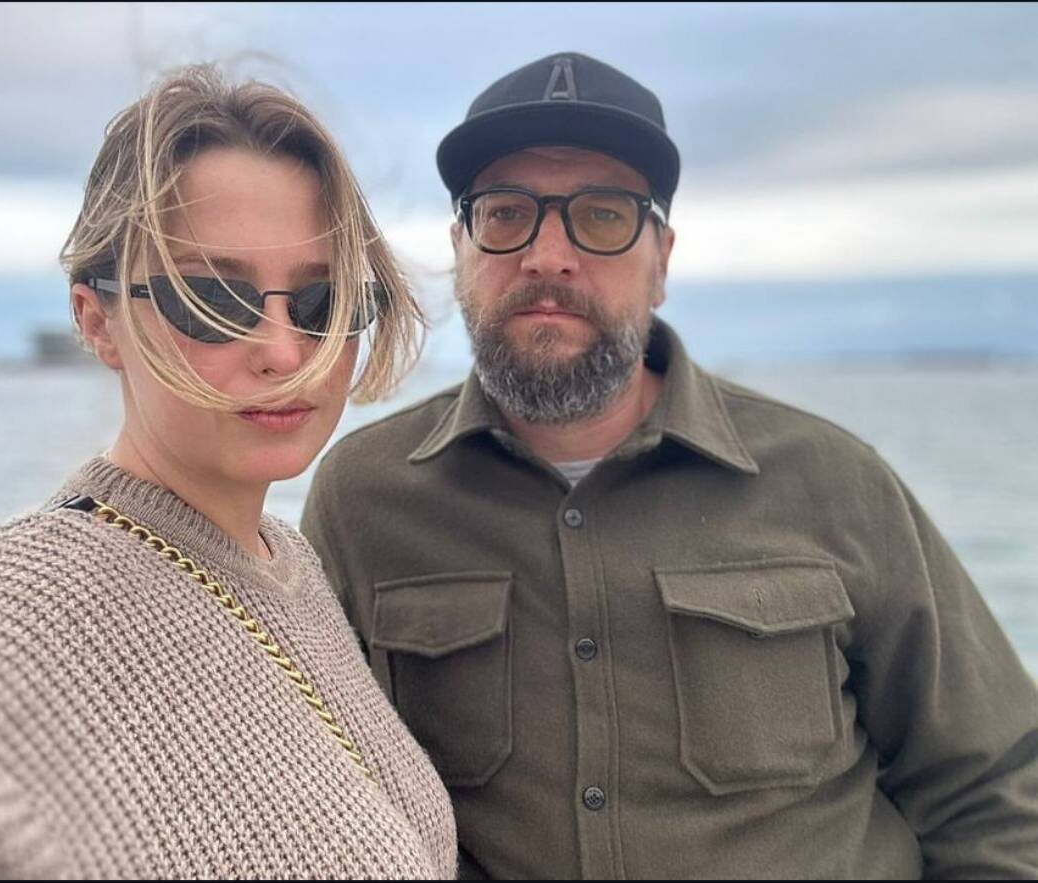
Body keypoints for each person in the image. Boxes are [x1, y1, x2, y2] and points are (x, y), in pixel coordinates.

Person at [302, 51, 1038, 879]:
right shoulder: (364, 501)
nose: (547, 255)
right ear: (459, 249)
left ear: (663, 261)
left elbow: (997, 787)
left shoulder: (834, 482)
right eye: (505, 214)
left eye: (603, 215)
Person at [0, 64, 457, 879]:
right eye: (213, 299)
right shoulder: (14, 622)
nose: (285, 352)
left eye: (321, 303)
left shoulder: (288, 562)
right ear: (96, 320)